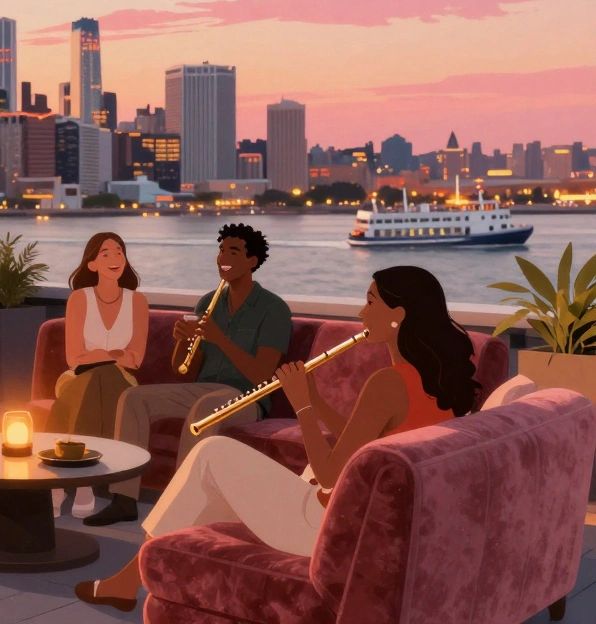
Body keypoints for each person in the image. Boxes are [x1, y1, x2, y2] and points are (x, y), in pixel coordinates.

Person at [74, 265, 481, 613]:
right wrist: (317, 399)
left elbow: (327, 474)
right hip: (362, 513)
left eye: (371, 302)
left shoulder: (387, 383)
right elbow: (368, 444)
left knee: (212, 454)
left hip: (329, 528)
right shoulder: (432, 379)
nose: (361, 312)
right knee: (214, 482)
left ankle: (130, 579)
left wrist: (301, 404)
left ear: (398, 315)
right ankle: (142, 573)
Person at [83, 222, 291, 527]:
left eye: (233, 251)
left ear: (252, 261)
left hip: (247, 396)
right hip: (205, 388)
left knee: (205, 409)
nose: (223, 257)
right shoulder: (208, 303)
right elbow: (184, 370)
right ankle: (124, 499)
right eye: (221, 250)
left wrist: (221, 339)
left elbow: (262, 375)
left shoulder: (274, 309)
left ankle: (180, 506)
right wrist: (182, 340)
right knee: (133, 398)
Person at [45, 233, 149, 517]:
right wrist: (116, 353)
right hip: (76, 376)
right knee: (93, 379)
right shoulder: (80, 299)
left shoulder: (137, 302)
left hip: (122, 380)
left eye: (119, 252)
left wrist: (104, 357)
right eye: (106, 253)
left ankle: (65, 483)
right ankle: (82, 484)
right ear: (92, 264)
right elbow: (74, 358)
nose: (115, 258)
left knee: (102, 377)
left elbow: (136, 359)